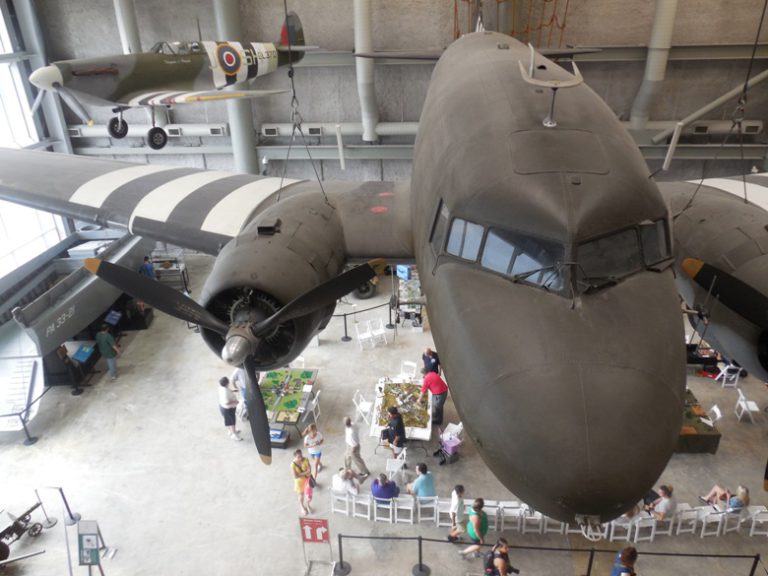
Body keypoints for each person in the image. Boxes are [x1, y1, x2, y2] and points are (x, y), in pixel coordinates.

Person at [218, 376, 241, 441]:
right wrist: (235, 401)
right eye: (228, 382)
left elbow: (227, 390)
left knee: (228, 421)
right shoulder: (225, 392)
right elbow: (227, 402)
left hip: (222, 407)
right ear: (226, 383)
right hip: (228, 409)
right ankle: (234, 434)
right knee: (232, 422)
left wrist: (233, 391)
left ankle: (230, 431)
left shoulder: (221, 387)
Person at [291, 449, 313, 515]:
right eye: (298, 457)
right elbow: (295, 476)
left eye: (301, 455)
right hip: (299, 482)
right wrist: (305, 472)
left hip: (307, 480)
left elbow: (310, 470)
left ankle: (308, 505)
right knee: (301, 495)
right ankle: (302, 506)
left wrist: (300, 474)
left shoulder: (306, 459)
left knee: (309, 495)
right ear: (295, 457)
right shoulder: (293, 464)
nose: (300, 458)